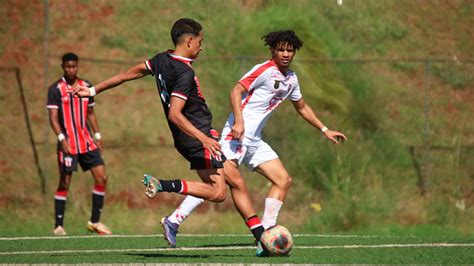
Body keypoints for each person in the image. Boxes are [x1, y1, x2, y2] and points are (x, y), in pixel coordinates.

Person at [161, 30, 347, 256]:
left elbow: (302, 107)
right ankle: (173, 220)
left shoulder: (291, 79)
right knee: (217, 185)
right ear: (272, 50)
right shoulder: (264, 70)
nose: (286, 54)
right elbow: (236, 90)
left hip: (255, 141)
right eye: (281, 49)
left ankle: (267, 231)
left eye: (290, 50)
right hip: (235, 136)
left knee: (283, 180)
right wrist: (238, 122)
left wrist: (325, 129)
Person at [74, 19, 227, 208]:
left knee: (227, 184)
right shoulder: (184, 73)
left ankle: (260, 231)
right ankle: (163, 185)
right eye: (199, 42)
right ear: (189, 41)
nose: (201, 47)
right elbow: (175, 114)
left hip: (184, 137)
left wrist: (91, 91)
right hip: (197, 134)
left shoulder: (161, 59)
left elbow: (127, 74)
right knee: (219, 192)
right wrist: (204, 139)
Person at [47, 52, 112, 235]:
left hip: (87, 141)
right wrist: (62, 139)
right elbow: (53, 118)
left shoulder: (86, 86)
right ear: (63, 67)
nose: (71, 69)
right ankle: (59, 226)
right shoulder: (55, 89)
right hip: (68, 144)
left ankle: (94, 222)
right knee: (64, 183)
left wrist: (97, 136)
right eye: (68, 67)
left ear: (77, 66)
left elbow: (90, 113)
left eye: (74, 66)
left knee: (102, 178)